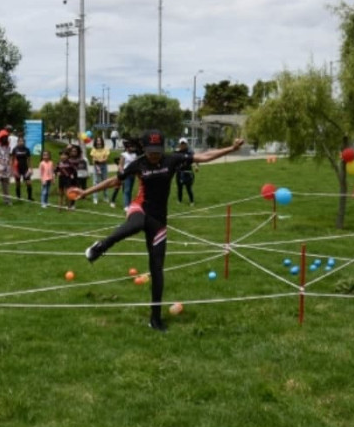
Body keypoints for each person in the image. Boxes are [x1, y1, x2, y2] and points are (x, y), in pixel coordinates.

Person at [75, 130, 245, 332]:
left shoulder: (172, 160)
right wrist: (85, 192)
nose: (154, 155)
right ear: (144, 149)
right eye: (150, 151)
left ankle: (155, 319)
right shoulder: (138, 163)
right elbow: (114, 181)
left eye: (157, 151)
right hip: (140, 208)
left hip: (159, 221)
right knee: (136, 224)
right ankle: (101, 246)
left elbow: (204, 157)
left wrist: (232, 149)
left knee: (157, 270)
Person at [114, 139, 141, 210]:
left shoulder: (135, 155)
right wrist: (121, 172)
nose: (132, 148)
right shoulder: (124, 155)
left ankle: (129, 204)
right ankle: (126, 205)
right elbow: (120, 165)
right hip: (126, 173)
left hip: (133, 174)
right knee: (127, 190)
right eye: (130, 147)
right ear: (127, 148)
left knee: (130, 189)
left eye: (132, 147)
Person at [174, 137, 198, 205]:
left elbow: (193, 160)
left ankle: (192, 201)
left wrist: (195, 166)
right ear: (179, 144)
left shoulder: (190, 152)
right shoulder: (176, 152)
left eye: (184, 143)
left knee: (188, 188)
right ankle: (179, 200)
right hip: (179, 173)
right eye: (181, 144)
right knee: (179, 188)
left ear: (186, 144)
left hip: (187, 172)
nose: (182, 145)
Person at [10, 136, 33, 202]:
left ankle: (29, 197)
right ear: (17, 142)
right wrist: (12, 169)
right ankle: (18, 197)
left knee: (28, 183)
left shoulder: (27, 149)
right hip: (17, 169)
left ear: (24, 142)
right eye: (20, 141)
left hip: (25, 168)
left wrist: (30, 168)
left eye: (22, 141)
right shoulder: (15, 149)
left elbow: (29, 160)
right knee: (18, 184)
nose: (21, 142)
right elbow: (12, 160)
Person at [89, 137, 111, 205]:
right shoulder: (93, 149)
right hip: (96, 166)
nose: (99, 142)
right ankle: (95, 198)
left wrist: (101, 160)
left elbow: (106, 158)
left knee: (105, 181)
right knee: (95, 182)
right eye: (97, 141)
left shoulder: (105, 149)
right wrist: (97, 162)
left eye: (100, 140)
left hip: (104, 166)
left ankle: (106, 197)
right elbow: (93, 158)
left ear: (102, 141)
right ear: (95, 142)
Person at [68, 144, 89, 209]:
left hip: (76, 178)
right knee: (68, 190)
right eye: (72, 151)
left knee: (74, 191)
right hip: (68, 177)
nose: (73, 152)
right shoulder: (68, 159)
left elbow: (83, 168)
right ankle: (69, 203)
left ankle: (72, 204)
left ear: (77, 152)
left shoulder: (80, 160)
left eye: (75, 151)